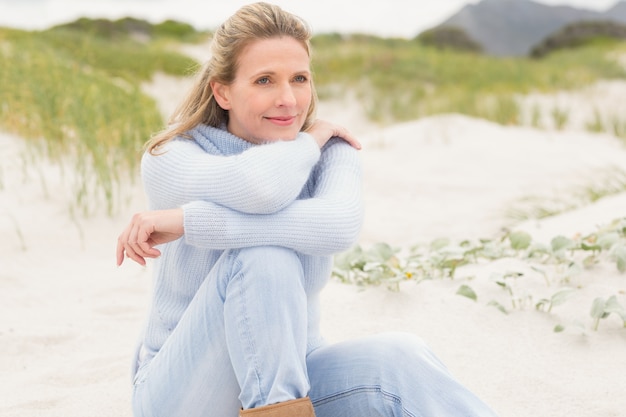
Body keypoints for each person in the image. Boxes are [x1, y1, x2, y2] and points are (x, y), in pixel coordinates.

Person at [116, 3, 500, 417]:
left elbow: (337, 226)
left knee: (401, 357)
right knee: (265, 257)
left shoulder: (333, 152)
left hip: (293, 377)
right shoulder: (172, 158)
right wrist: (306, 142)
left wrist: (190, 221)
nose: (287, 99)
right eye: (265, 80)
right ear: (222, 91)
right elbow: (263, 188)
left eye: (299, 79)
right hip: (181, 393)